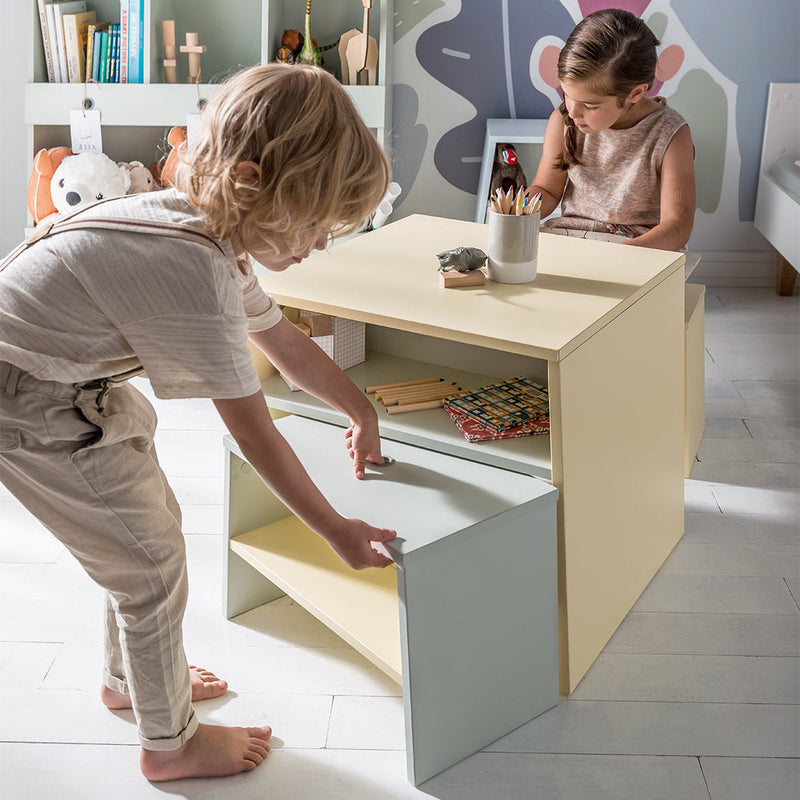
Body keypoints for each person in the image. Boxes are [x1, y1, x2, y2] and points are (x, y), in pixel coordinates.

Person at [0, 63, 396, 782]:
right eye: (314, 222)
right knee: (149, 568)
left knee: (144, 543)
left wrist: (359, 408)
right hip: (28, 398)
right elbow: (255, 433)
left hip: (62, 379)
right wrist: (336, 530)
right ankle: (170, 744)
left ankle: (132, 681)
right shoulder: (195, 271)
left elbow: (284, 342)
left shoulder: (203, 229)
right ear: (251, 184)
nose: (321, 245)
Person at [528, 8, 696, 250]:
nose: (572, 112)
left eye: (589, 105)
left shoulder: (670, 134)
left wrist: (624, 256)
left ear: (635, 93)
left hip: (639, 247)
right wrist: (519, 208)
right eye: (566, 94)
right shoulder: (564, 120)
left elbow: (678, 226)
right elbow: (547, 190)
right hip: (571, 240)